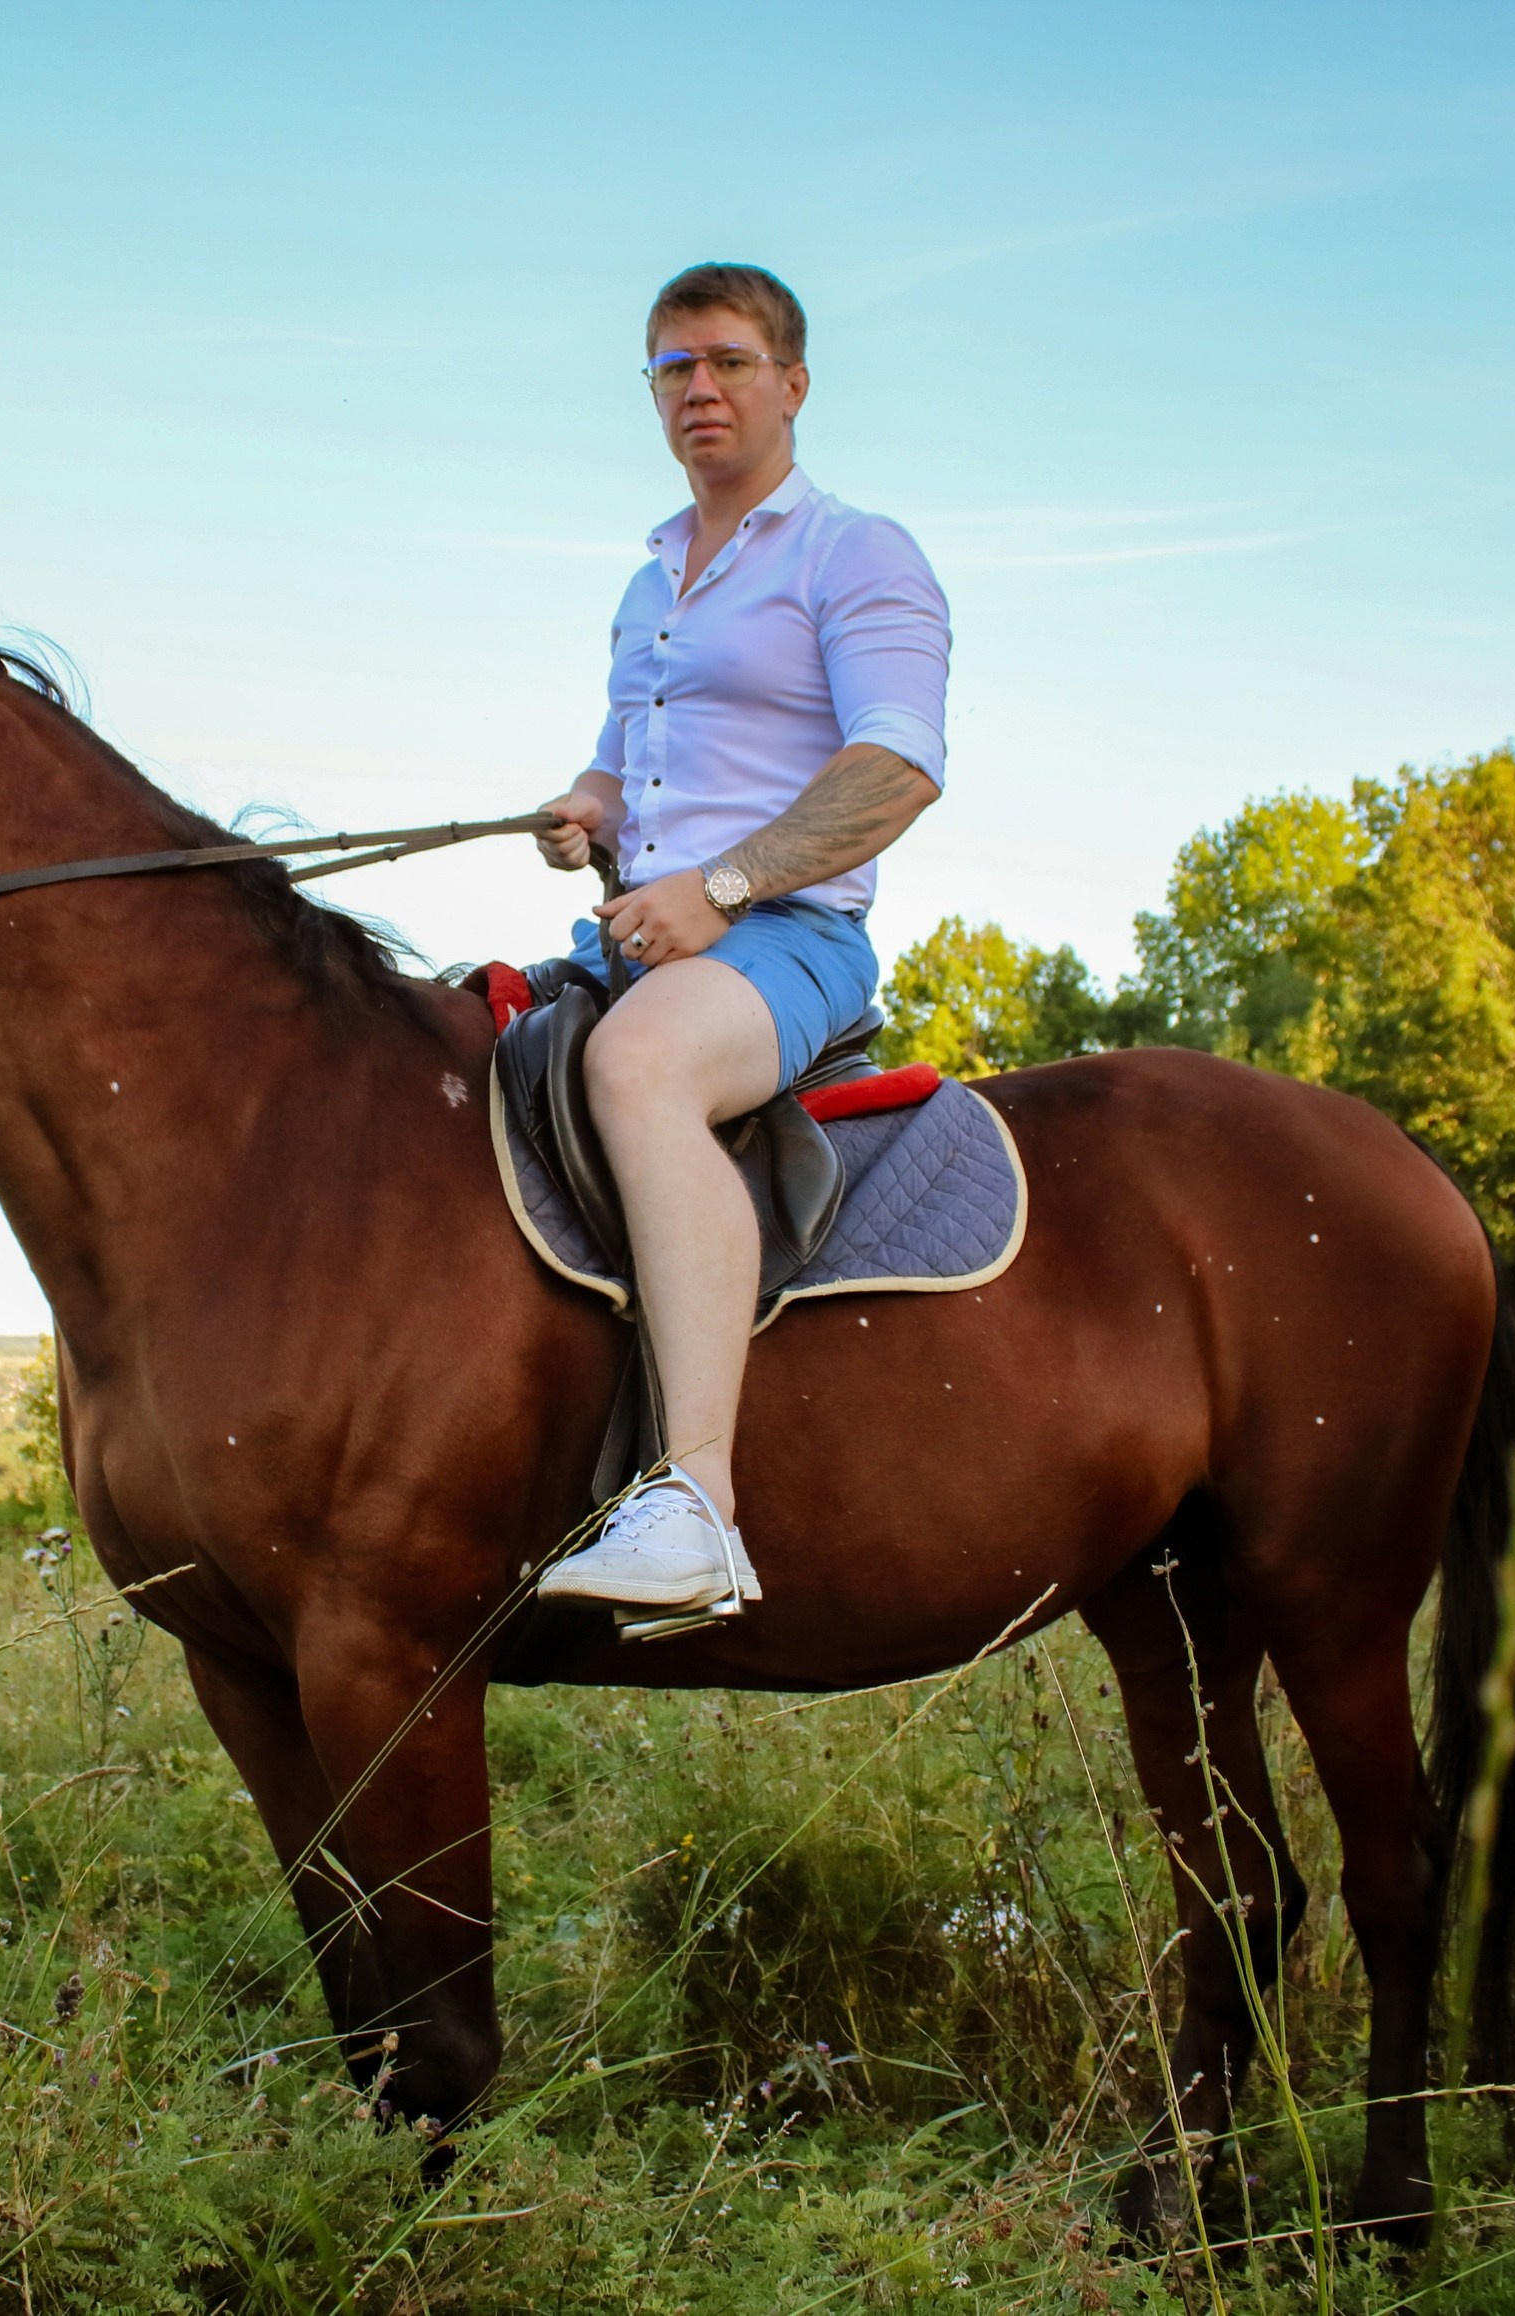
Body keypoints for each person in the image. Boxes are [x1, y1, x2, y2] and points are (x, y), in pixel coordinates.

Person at [531, 261, 951, 1629]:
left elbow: (898, 767)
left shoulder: (855, 551)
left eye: (725, 361)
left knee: (642, 1070)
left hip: (790, 939)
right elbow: (623, 761)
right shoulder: (652, 574)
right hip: (648, 932)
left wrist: (724, 882)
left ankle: (697, 1504)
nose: (696, 389)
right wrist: (587, 806)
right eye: (671, 367)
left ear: (792, 385)